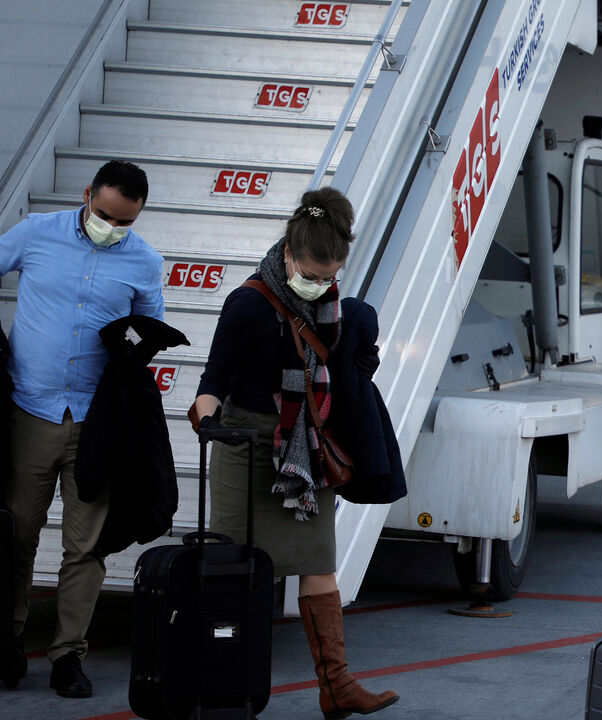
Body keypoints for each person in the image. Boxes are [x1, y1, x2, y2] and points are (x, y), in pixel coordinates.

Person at [191, 187, 398, 718]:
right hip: (246, 443)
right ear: (287, 253)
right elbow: (213, 381)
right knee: (237, 567)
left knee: (319, 563)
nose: (318, 283)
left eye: (328, 276)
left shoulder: (334, 308)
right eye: (309, 273)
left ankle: (337, 685)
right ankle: (223, 683)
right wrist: (207, 421)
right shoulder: (248, 303)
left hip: (305, 444)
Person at [0, 160, 164, 697]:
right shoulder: (35, 234)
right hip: (31, 411)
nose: (112, 229)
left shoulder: (143, 262)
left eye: (124, 223)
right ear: (87, 193)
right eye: (105, 215)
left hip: (97, 425)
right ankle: (7, 645)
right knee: (16, 535)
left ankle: (69, 655)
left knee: (86, 546)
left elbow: (149, 338)